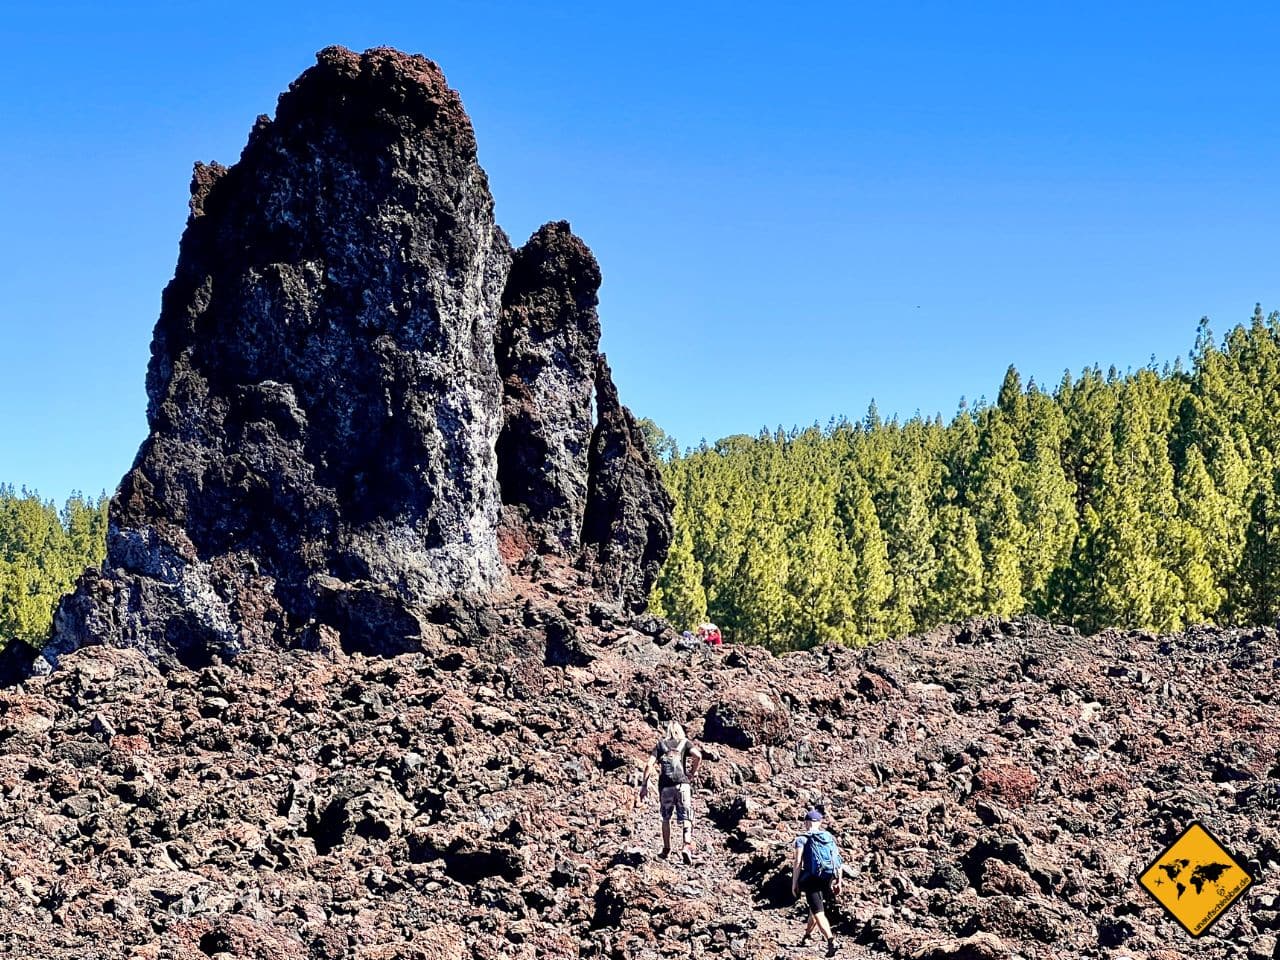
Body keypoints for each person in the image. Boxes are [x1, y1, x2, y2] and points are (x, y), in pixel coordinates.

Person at [637, 721, 703, 863]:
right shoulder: (684, 743)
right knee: (686, 816)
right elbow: (698, 756)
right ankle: (686, 845)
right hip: (682, 784)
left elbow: (649, 765)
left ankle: (666, 849)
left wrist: (644, 786)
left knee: (666, 818)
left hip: (665, 787)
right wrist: (691, 773)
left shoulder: (661, 745)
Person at [791, 808, 843, 956]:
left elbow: (797, 862)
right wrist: (839, 881)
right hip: (828, 877)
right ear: (819, 822)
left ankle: (831, 941)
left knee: (818, 912)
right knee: (814, 908)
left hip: (811, 879)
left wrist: (794, 883)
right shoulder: (828, 836)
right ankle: (807, 935)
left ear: (806, 823)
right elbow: (837, 860)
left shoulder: (802, 838)